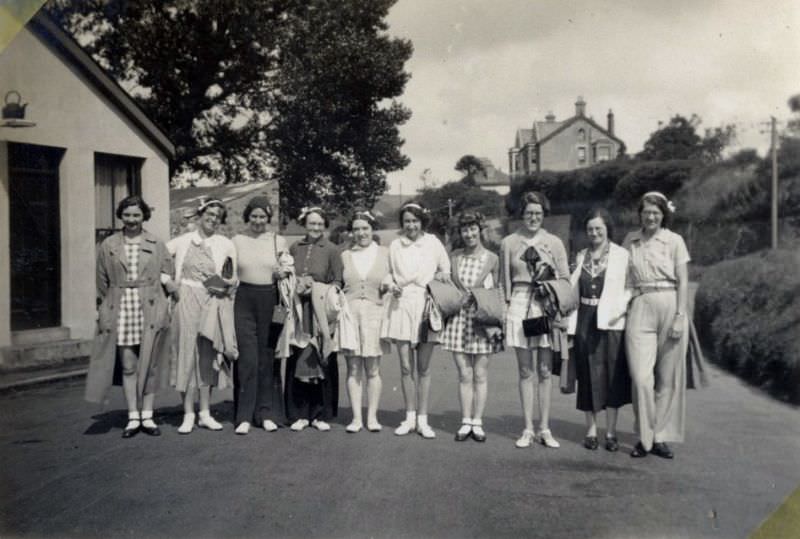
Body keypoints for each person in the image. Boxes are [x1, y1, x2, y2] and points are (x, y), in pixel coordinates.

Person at [85, 195, 176, 438]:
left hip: (151, 307)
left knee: (151, 364)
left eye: (136, 215)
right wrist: (108, 306)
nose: (132, 220)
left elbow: (168, 272)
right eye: (127, 215)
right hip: (122, 306)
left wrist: (162, 298)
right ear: (121, 216)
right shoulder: (109, 244)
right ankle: (133, 416)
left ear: (144, 216)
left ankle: (148, 415)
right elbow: (101, 281)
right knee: (128, 365)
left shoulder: (156, 243)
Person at [624, 191, 690, 459]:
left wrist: (680, 315)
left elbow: (684, 280)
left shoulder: (674, 241)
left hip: (670, 304)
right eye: (646, 212)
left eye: (656, 212)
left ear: (663, 215)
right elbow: (624, 279)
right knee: (640, 378)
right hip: (640, 305)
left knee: (666, 379)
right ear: (640, 213)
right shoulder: (631, 240)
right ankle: (646, 435)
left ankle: (658, 436)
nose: (650, 217)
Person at [500, 191, 569, 449]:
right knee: (525, 370)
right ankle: (528, 428)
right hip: (519, 302)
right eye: (529, 213)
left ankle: (545, 428)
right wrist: (506, 310)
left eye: (538, 213)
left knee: (544, 370)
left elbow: (564, 278)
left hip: (546, 305)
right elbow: (504, 282)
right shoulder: (509, 242)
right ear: (522, 213)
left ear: (544, 215)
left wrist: (556, 303)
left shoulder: (554, 242)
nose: (533, 217)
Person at [167, 198, 237, 434]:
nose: (213, 218)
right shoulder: (183, 241)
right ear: (200, 214)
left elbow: (232, 277)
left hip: (211, 301)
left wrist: (225, 284)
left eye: (217, 215)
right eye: (209, 213)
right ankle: (188, 413)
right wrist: (168, 283)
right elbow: (157, 263)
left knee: (207, 355)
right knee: (187, 352)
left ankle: (205, 412)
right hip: (185, 299)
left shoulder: (225, 244)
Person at [381, 201, 450, 439]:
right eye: (407, 221)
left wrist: (441, 275)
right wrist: (392, 286)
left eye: (415, 221)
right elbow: (388, 273)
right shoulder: (395, 245)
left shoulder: (433, 242)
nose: (411, 225)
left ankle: (423, 420)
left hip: (426, 305)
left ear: (422, 222)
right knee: (405, 367)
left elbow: (445, 270)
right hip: (401, 305)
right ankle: (409, 418)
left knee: (424, 367)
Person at [566, 208, 632, 451]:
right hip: (585, 320)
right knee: (587, 376)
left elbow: (629, 287)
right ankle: (591, 431)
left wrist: (619, 310)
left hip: (612, 323)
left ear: (607, 230)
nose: (594, 233)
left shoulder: (621, 255)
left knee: (611, 376)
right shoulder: (581, 255)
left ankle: (611, 433)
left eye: (599, 229)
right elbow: (572, 288)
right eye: (591, 229)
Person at [441, 211, 503, 442]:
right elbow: (448, 284)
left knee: (480, 373)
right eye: (464, 230)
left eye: (472, 228)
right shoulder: (455, 257)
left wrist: (498, 321)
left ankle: (478, 422)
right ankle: (465, 421)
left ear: (480, 229)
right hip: (458, 320)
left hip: (482, 320)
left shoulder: (492, 259)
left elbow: (498, 291)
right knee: (464, 373)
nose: (469, 234)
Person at [231, 196, 288, 435]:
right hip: (243, 300)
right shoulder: (236, 240)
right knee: (247, 358)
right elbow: (226, 271)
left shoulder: (278, 240)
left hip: (270, 300)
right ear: (247, 217)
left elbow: (288, 267)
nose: (258, 221)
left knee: (267, 358)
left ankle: (265, 412)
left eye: (262, 217)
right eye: (253, 216)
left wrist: (283, 272)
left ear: (268, 218)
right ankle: (244, 415)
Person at [284, 206, 343, 432]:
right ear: (304, 224)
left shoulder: (332, 250)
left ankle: (320, 415)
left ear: (325, 225)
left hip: (321, 312)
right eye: (311, 223)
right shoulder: (295, 247)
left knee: (321, 358)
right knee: (298, 357)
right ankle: (299, 414)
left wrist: (318, 289)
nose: (316, 228)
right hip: (299, 311)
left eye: (319, 224)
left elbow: (338, 282)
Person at [339, 209, 391, 433]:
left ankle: (372, 417)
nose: (361, 233)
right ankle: (356, 418)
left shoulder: (385, 253)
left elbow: (392, 278)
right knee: (353, 367)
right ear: (351, 232)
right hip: (350, 314)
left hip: (374, 313)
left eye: (365, 228)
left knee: (373, 368)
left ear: (372, 230)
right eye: (356, 229)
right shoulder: (344, 256)